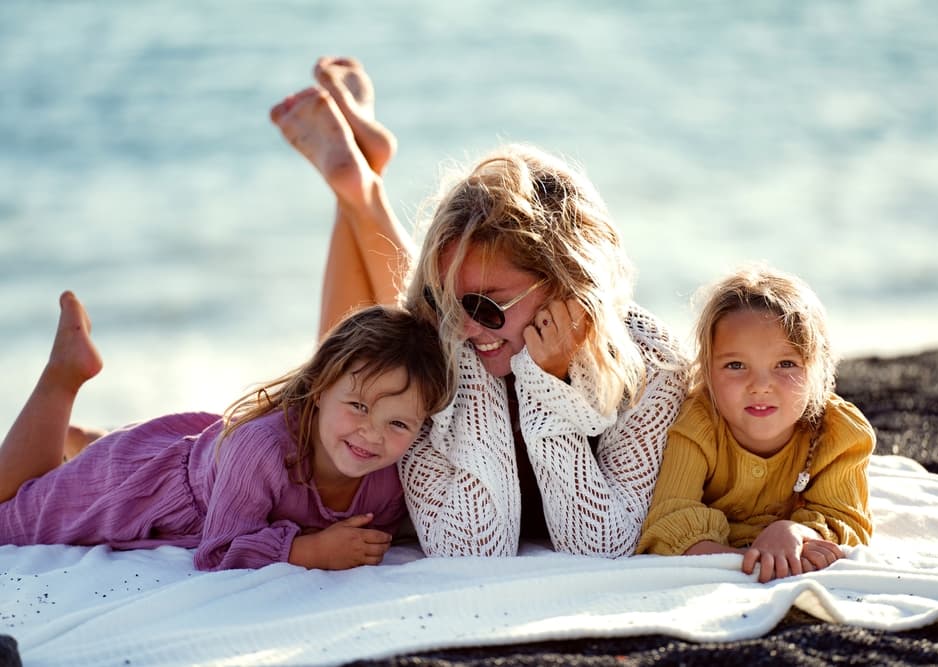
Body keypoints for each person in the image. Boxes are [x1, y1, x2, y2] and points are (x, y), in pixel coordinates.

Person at [270, 57, 689, 558]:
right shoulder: (445, 337)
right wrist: (472, 352)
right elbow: (469, 548)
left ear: (568, 284)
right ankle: (358, 189)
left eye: (486, 304)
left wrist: (544, 386)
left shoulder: (652, 365)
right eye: (445, 297)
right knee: (353, 359)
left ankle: (359, 188)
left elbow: (599, 545)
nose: (464, 326)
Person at [0, 291, 450, 571]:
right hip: (145, 483)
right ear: (317, 390)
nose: (371, 435)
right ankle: (64, 375)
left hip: (210, 457)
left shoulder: (391, 478)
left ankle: (86, 441)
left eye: (397, 423)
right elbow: (216, 551)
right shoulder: (261, 452)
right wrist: (309, 552)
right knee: (8, 516)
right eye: (358, 406)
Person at [636, 266, 875, 582]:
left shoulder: (838, 432)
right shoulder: (699, 423)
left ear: (817, 369)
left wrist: (792, 530)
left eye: (785, 364)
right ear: (707, 370)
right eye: (736, 365)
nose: (760, 385)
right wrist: (749, 559)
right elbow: (668, 524)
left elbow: (847, 523)